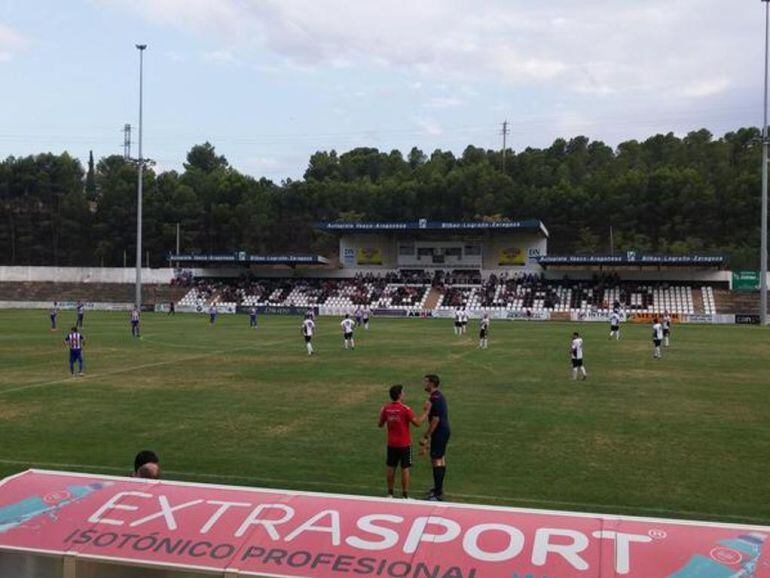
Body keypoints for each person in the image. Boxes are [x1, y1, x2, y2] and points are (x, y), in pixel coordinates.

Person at [378, 385, 429, 499]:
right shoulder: (405, 409)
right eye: (403, 392)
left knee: (391, 467)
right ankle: (405, 495)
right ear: (400, 395)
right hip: (404, 444)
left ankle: (390, 493)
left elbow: (380, 424)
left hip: (391, 444)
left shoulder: (386, 409)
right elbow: (417, 423)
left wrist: (381, 413)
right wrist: (426, 412)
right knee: (405, 468)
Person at [419, 374, 451, 501]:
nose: (424, 384)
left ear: (431, 384)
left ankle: (437, 494)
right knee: (441, 459)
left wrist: (426, 436)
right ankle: (438, 488)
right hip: (443, 431)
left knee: (436, 460)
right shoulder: (437, 396)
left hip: (439, 432)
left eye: (426, 382)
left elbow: (435, 420)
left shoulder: (435, 399)